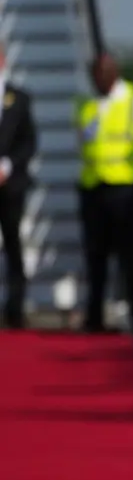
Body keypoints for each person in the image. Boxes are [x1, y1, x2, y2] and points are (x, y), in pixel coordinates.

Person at [77, 53, 133, 334]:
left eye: (102, 73)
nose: (97, 80)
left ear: (114, 72)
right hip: (94, 186)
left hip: (126, 188)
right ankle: (94, 315)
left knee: (128, 254)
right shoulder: (88, 104)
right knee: (95, 254)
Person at [0, 41, 37, 329]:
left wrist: (8, 166)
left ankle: (15, 308)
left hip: (10, 186)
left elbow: (29, 143)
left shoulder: (19, 98)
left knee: (13, 244)